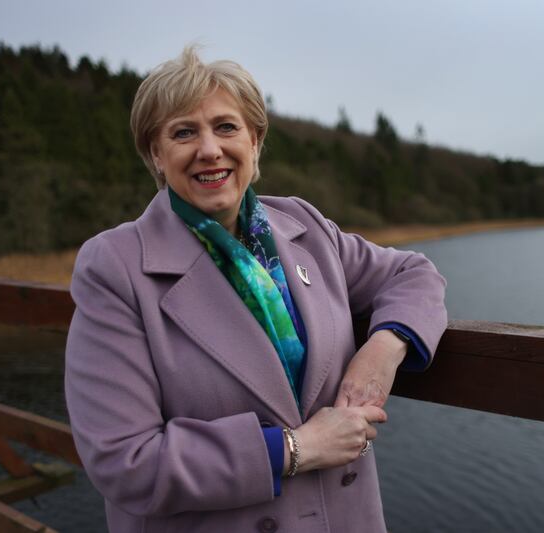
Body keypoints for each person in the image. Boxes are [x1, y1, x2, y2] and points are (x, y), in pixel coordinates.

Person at [64, 46, 447, 533]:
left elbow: (413, 273)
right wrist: (295, 449)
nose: (209, 149)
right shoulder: (115, 267)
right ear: (156, 155)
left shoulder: (302, 224)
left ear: (255, 141)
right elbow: (126, 461)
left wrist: (385, 346)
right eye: (184, 132)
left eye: (226, 127)